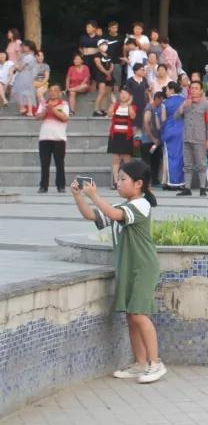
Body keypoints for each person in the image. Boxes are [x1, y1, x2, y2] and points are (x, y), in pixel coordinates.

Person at [70, 160, 166, 383]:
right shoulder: (123, 206)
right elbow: (92, 216)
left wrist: (94, 196)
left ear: (139, 184)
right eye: (118, 178)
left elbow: (113, 215)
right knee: (131, 316)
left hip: (142, 266)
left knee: (140, 314)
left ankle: (156, 363)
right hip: (127, 266)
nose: (118, 182)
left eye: (123, 179)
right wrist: (78, 196)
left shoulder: (142, 205)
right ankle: (140, 364)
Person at [174, 81, 208, 197]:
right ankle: (187, 188)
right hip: (187, 138)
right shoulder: (185, 103)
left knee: (201, 163)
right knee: (187, 164)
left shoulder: (206, 105)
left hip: (200, 138)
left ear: (201, 90)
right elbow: (176, 117)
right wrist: (183, 106)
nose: (194, 90)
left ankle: (202, 188)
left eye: (196, 88)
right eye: (192, 88)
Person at [35, 84, 70, 194]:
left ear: (59, 92)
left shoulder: (64, 104)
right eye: (51, 90)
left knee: (59, 163)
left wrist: (53, 109)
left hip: (59, 138)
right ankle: (43, 186)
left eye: (55, 90)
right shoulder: (43, 104)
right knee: (44, 163)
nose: (52, 92)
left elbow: (64, 117)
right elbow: (37, 117)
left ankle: (61, 185)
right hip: (44, 137)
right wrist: (46, 110)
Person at [107, 89, 137, 189]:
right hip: (115, 135)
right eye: (122, 93)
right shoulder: (115, 105)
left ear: (130, 96)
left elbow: (132, 116)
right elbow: (110, 114)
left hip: (126, 136)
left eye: (126, 93)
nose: (123, 95)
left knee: (126, 159)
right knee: (115, 159)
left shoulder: (132, 107)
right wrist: (113, 103)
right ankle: (116, 181)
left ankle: (127, 181)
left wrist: (128, 104)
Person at [161, 82, 186, 190]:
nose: (166, 91)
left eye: (167, 89)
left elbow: (163, 119)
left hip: (169, 131)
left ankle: (172, 182)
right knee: (181, 156)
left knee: (170, 156)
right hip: (182, 130)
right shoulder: (184, 100)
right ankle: (181, 182)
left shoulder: (165, 102)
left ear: (171, 90)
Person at [142, 91, 165, 187]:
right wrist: (152, 138)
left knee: (156, 161)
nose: (162, 102)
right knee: (147, 162)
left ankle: (155, 180)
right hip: (148, 140)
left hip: (157, 140)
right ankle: (146, 182)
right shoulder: (149, 108)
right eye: (161, 100)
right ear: (156, 99)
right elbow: (146, 124)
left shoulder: (159, 109)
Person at [12, 40, 38, 116]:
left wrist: (15, 66)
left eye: (24, 46)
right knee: (25, 93)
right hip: (25, 75)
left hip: (24, 76)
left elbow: (20, 68)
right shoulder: (29, 56)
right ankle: (25, 109)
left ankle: (26, 109)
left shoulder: (29, 57)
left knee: (21, 92)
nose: (23, 48)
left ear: (29, 47)